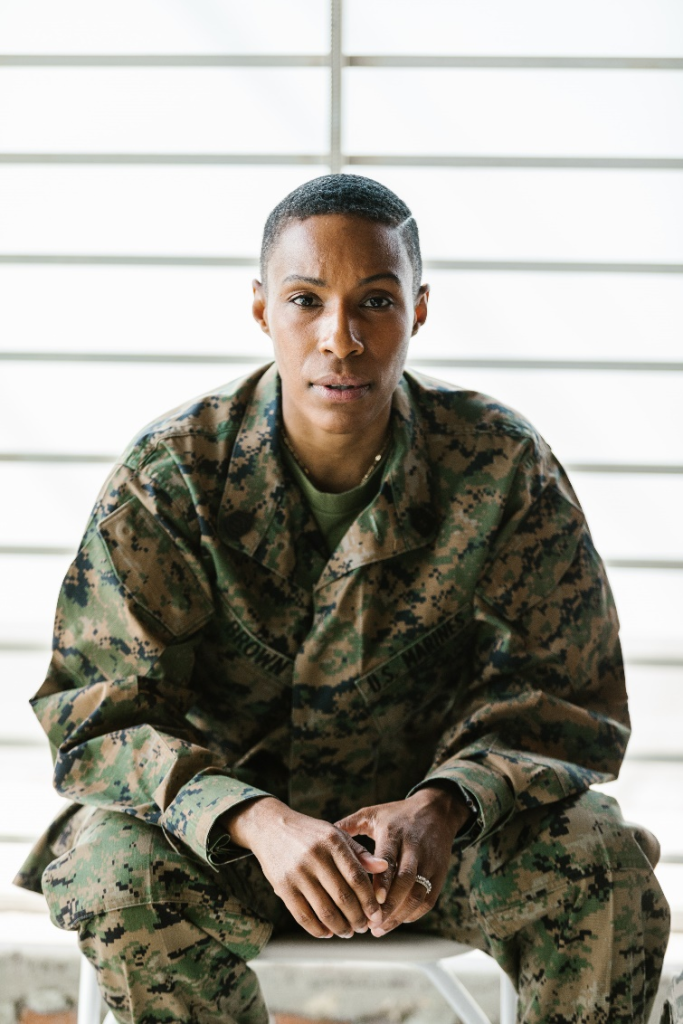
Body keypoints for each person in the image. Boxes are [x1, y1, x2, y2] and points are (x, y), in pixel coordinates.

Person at [15, 174, 669, 1023]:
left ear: (419, 310)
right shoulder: (171, 477)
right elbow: (99, 715)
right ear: (260, 310)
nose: (341, 338)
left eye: (375, 301)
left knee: (603, 861)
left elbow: (562, 702)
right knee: (110, 869)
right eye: (304, 300)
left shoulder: (500, 466)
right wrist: (253, 819)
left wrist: (444, 804)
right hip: (232, 849)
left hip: (437, 852)